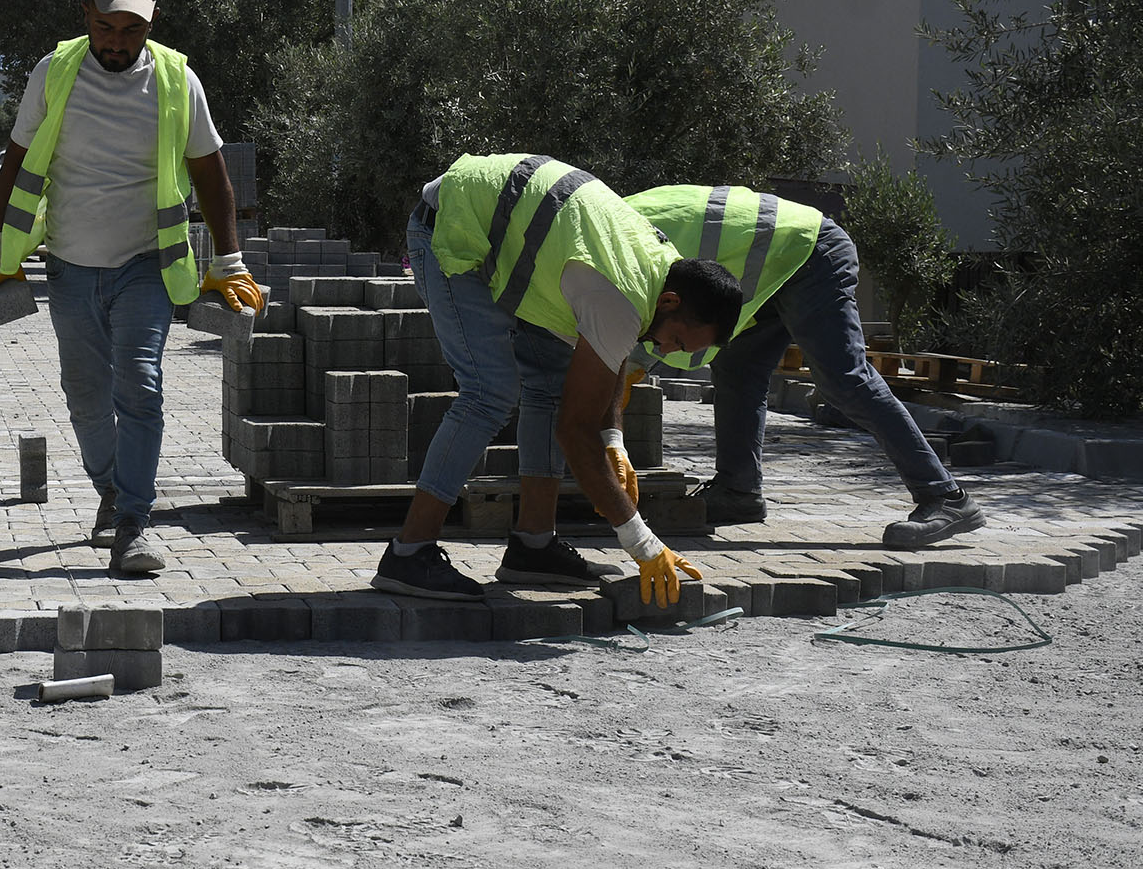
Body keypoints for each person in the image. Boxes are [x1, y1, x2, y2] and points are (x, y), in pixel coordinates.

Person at [0, 0, 263, 576]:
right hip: (70, 262)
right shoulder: (55, 73)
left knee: (140, 384)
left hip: (146, 265)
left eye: (132, 30)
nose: (118, 42)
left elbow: (212, 176)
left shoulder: (178, 82)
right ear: (87, 14)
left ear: (151, 22)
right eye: (106, 27)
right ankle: (109, 488)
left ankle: (134, 519)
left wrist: (230, 260)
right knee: (84, 394)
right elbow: (16, 160)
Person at [374, 152, 744, 606]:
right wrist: (642, 544)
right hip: (453, 226)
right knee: (489, 392)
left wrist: (615, 441)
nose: (667, 351)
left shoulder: (660, 270)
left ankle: (533, 546)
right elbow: (574, 431)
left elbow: (611, 358)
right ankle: (409, 553)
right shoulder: (622, 295)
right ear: (669, 303)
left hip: (509, 232)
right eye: (677, 340)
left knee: (550, 383)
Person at [613, 183, 986, 548]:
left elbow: (646, 313)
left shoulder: (616, 239)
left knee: (845, 379)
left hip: (811, 253)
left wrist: (620, 382)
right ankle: (738, 489)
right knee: (736, 370)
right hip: (771, 266)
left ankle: (945, 497)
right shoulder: (610, 224)